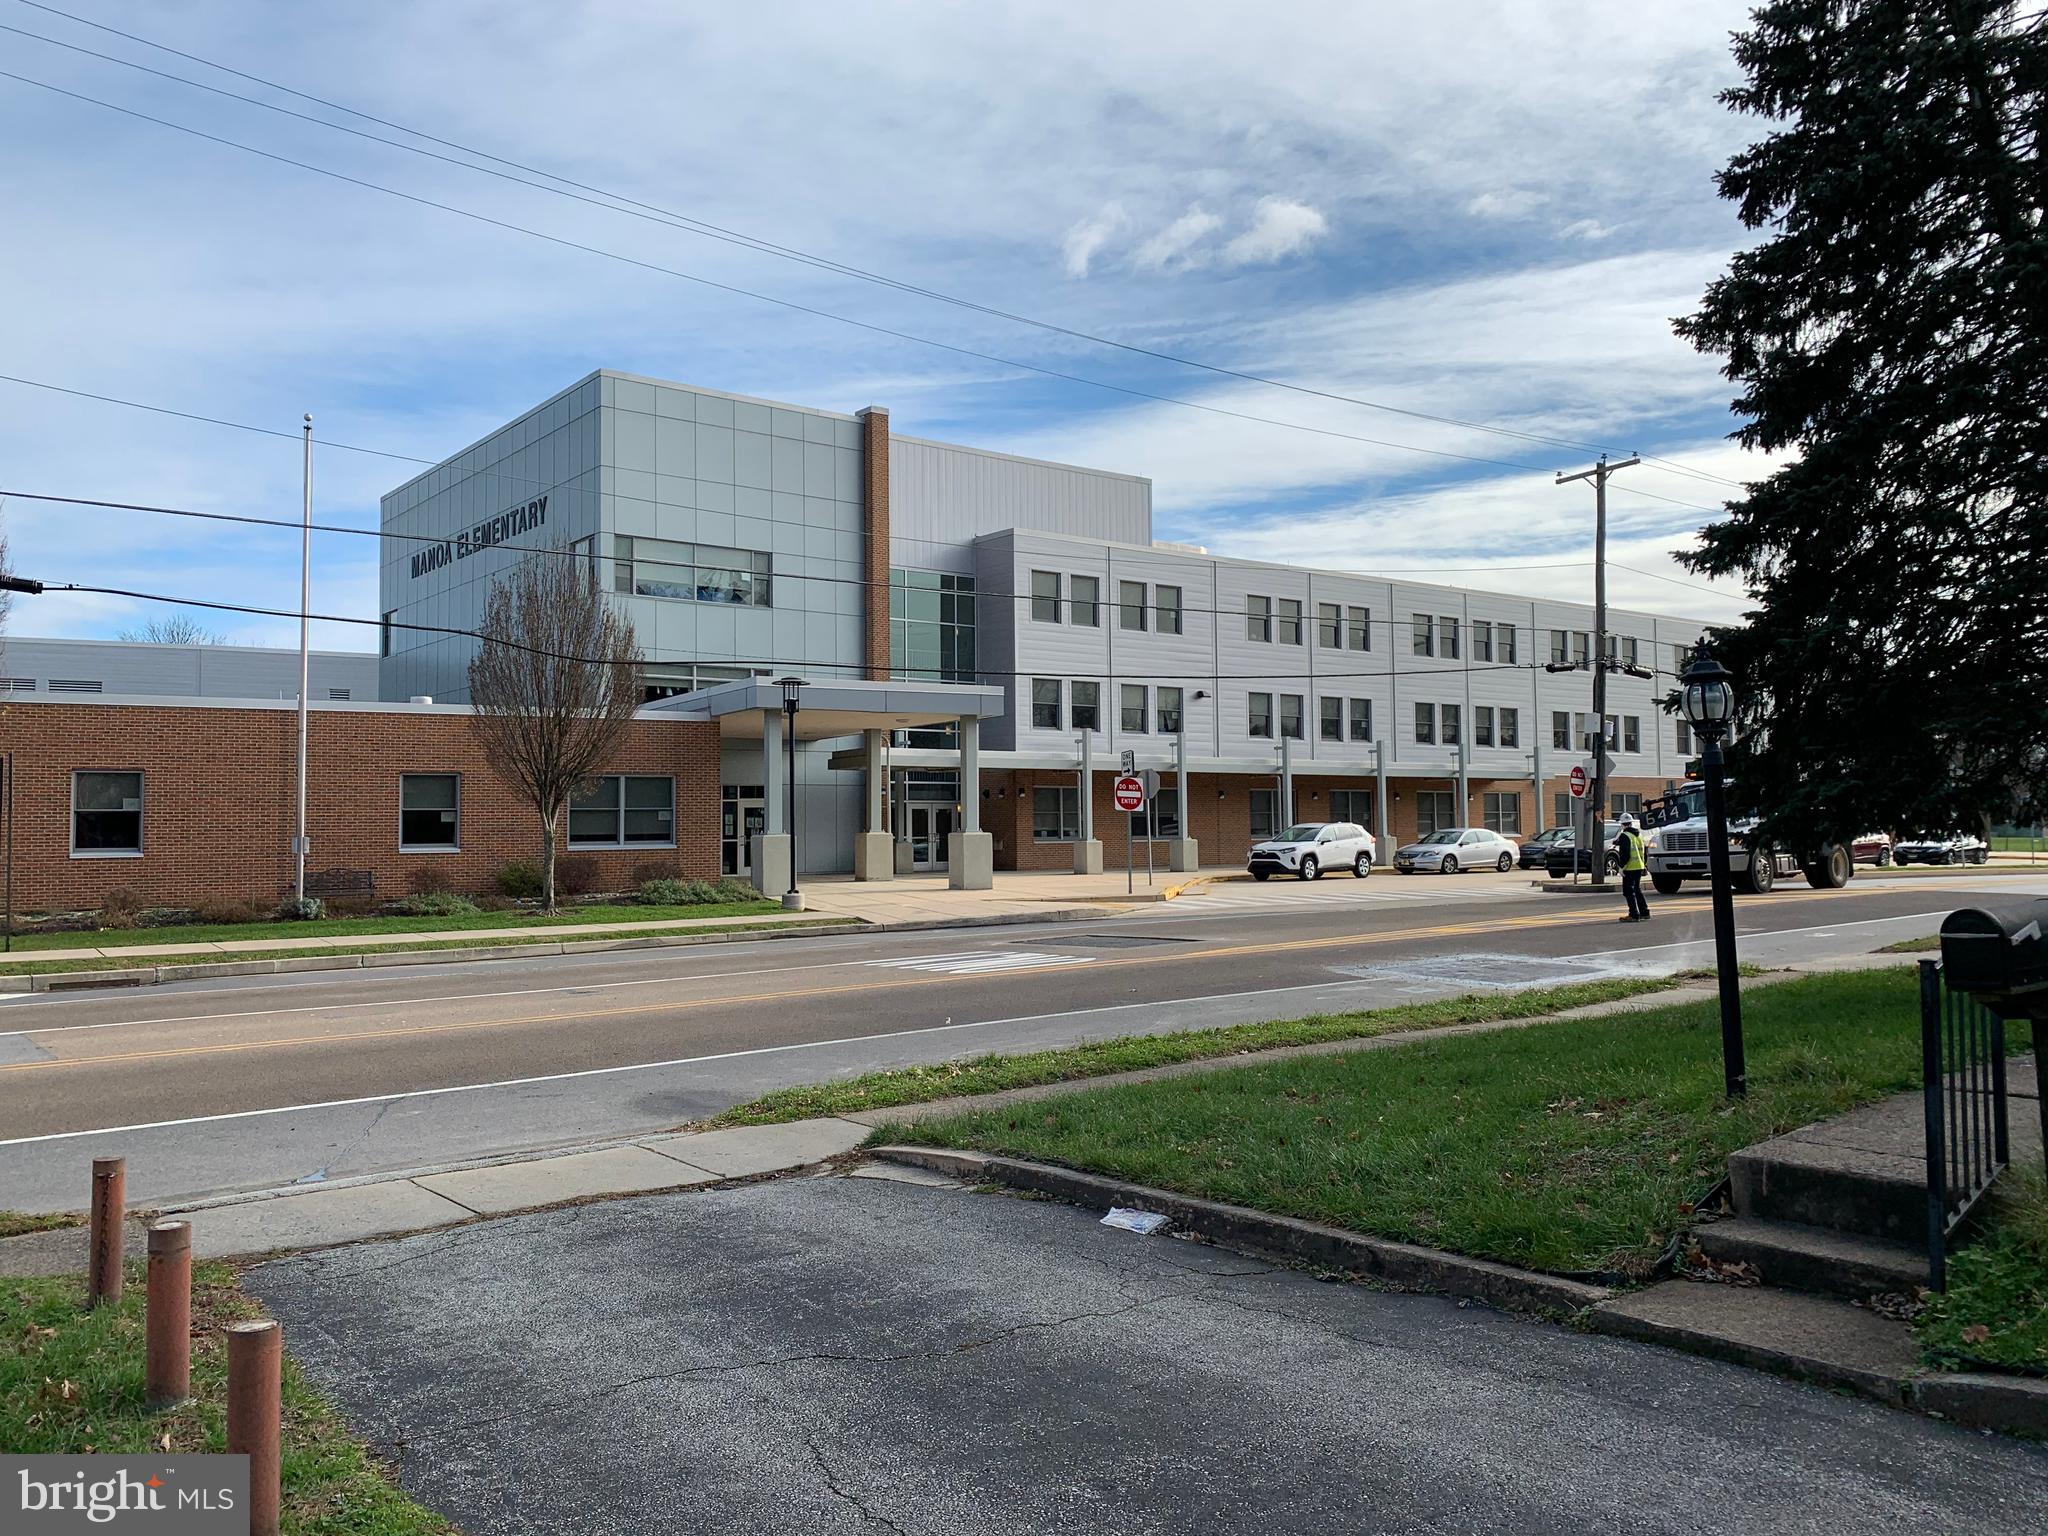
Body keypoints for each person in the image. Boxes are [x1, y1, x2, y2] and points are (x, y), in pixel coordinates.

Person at [1615, 813, 1650, 922]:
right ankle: (1644, 912)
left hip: (1630, 868)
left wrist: (1621, 867)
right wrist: (1644, 864)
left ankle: (1634, 914)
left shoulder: (1625, 835)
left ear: (1622, 824)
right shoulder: (1638, 835)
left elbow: (1625, 854)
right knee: (1637, 890)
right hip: (1639, 866)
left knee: (1628, 891)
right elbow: (1644, 851)